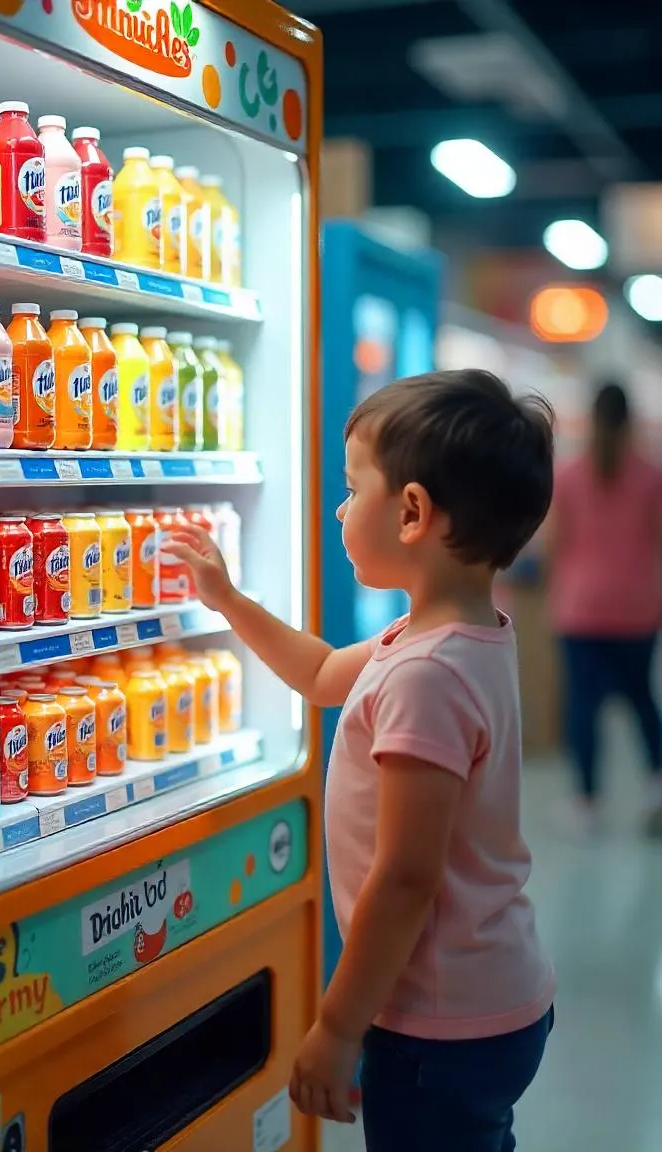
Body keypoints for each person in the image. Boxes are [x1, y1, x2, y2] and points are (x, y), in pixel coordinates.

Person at [164, 369, 556, 1151]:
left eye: (351, 489)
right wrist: (230, 601)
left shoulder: (428, 676)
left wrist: (339, 1027)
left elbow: (405, 880)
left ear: (411, 512)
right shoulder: (448, 636)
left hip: (439, 1022)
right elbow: (317, 675)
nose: (340, 508)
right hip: (493, 990)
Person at [547, 382, 662, 837]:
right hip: (637, 607)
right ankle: (656, 781)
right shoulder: (651, 476)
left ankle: (587, 802)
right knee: (641, 698)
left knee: (583, 705)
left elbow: (556, 542)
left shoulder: (570, 475)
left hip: (580, 608)